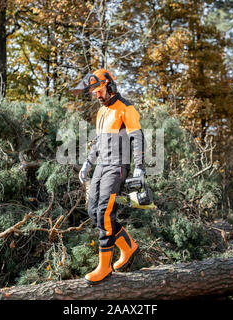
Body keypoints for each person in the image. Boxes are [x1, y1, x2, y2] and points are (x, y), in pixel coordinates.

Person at [74, 69, 146, 284]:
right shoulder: (102, 112)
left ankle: (104, 267)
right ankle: (128, 246)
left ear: (110, 86)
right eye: (94, 92)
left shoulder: (126, 107)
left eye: (99, 90)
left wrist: (139, 167)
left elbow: (138, 137)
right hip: (101, 166)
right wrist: (88, 162)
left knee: (105, 213)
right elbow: (98, 141)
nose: (97, 95)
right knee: (93, 211)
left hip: (117, 166)